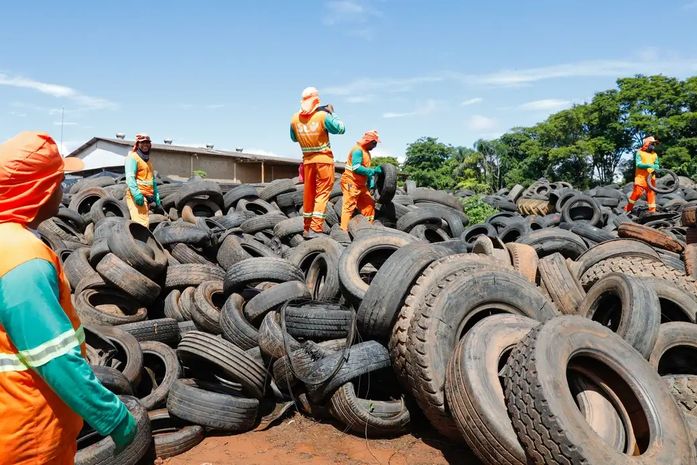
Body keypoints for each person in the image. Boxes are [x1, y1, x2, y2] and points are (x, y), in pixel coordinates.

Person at [0, 132, 137, 464]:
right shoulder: (23, 258)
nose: (63, 190)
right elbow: (54, 357)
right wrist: (113, 417)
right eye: (59, 181)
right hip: (31, 433)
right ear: (41, 189)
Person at [290, 87, 345, 238]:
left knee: (309, 194)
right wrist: (332, 113)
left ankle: (307, 227)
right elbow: (341, 129)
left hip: (307, 162)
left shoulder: (294, 118)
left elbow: (294, 138)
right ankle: (315, 227)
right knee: (322, 194)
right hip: (324, 161)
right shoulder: (322, 116)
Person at [340, 130, 382, 230]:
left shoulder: (367, 153)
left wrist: (371, 182)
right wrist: (372, 171)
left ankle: (367, 229)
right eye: (375, 143)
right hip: (351, 182)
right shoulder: (357, 150)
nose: (375, 146)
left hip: (361, 184)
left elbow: (365, 170)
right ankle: (343, 232)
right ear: (370, 142)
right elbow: (356, 168)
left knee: (369, 204)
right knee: (349, 206)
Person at [125, 133, 160, 227]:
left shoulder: (148, 162)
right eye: (142, 142)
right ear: (137, 144)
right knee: (142, 225)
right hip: (137, 196)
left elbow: (152, 180)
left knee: (144, 223)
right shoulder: (132, 158)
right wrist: (137, 194)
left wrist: (156, 195)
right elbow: (130, 178)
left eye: (147, 142)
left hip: (147, 196)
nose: (145, 145)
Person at [625, 136, 660, 214]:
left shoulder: (654, 154)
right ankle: (628, 208)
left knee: (651, 194)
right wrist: (649, 165)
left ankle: (652, 212)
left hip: (651, 178)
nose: (653, 146)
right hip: (641, 178)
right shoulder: (639, 152)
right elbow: (638, 164)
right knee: (637, 193)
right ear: (647, 144)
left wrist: (656, 167)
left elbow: (657, 164)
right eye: (652, 144)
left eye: (654, 144)